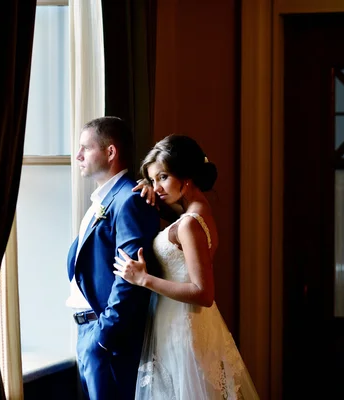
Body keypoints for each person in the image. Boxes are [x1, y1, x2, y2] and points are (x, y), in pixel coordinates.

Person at [114, 135, 260, 400]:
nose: (156, 186)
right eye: (152, 179)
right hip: (179, 322)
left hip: (183, 326)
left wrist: (143, 279)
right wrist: (153, 193)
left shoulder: (190, 223)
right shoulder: (197, 213)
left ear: (186, 175)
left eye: (163, 177)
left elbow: (203, 293)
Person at [66, 116, 160, 399]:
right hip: (89, 331)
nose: (78, 155)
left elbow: (129, 275)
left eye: (86, 148)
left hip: (107, 338)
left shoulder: (129, 199)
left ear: (110, 152)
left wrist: (103, 338)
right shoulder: (103, 200)